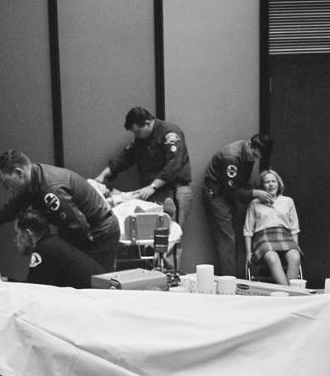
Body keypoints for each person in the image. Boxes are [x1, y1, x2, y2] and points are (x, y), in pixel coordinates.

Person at [0, 149, 121, 271]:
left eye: (4, 182)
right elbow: (16, 205)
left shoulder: (50, 189)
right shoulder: (33, 177)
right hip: (86, 227)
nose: (5, 188)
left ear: (19, 173)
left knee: (96, 284)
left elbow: (78, 226)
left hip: (100, 230)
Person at [94, 106, 193, 226]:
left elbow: (174, 164)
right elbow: (126, 158)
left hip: (173, 191)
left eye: (138, 131)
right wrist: (103, 175)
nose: (136, 135)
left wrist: (153, 186)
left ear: (147, 123)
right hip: (153, 192)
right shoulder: (141, 139)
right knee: (152, 236)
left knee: (170, 235)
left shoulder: (169, 132)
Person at [203, 133, 275, 276]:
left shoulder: (248, 151)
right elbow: (228, 189)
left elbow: (242, 181)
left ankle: (233, 278)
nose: (255, 160)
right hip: (218, 195)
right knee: (227, 241)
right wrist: (254, 193)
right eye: (255, 156)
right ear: (252, 146)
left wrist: (253, 192)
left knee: (232, 240)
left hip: (230, 194)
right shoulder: (232, 157)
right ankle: (230, 282)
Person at [14, 206, 104, 288]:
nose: (15, 240)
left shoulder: (43, 250)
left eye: (17, 233)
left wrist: (6, 283)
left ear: (27, 234)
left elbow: (33, 289)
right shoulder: (52, 244)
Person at [243, 169, 302, 285]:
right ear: (262, 186)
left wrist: (296, 247)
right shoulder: (255, 203)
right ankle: (288, 295)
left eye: (273, 181)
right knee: (272, 257)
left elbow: (294, 229)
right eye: (267, 182)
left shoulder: (288, 201)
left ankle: (288, 294)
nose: (271, 184)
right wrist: (248, 252)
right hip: (263, 238)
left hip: (284, 236)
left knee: (295, 256)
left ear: (278, 184)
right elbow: (248, 231)